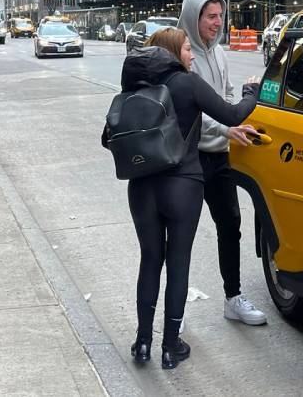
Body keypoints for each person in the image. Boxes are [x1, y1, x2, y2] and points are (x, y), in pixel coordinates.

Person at [104, 27, 259, 369]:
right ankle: (171, 346)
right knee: (178, 264)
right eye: (188, 49)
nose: (191, 55)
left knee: (149, 260)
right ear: (174, 52)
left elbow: (109, 137)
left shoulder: (135, 88)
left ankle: (142, 342)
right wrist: (252, 91)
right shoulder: (186, 83)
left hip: (141, 187)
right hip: (183, 185)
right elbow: (233, 115)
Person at [177, 0, 267, 325]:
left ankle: (233, 298)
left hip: (219, 157)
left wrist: (229, 130)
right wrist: (226, 128)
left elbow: (226, 101)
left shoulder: (219, 53)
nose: (218, 23)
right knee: (181, 234)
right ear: (193, 17)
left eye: (220, 16)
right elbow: (190, 115)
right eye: (210, 16)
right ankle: (177, 311)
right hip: (189, 160)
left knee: (231, 226)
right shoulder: (182, 56)